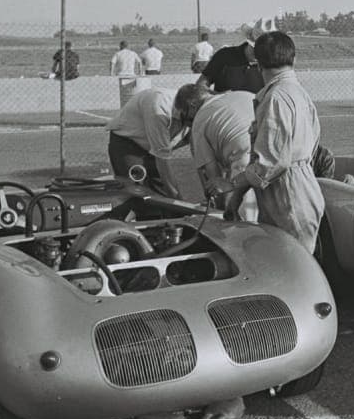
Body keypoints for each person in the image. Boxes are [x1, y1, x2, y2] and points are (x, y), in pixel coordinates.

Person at [217, 32, 324, 253]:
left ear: (258, 65)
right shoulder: (299, 93)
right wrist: (236, 198)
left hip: (289, 198)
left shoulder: (276, 97)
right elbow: (312, 143)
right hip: (300, 188)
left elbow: (272, 162)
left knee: (292, 271)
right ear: (294, 60)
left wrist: (233, 184)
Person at [171, 83, 258, 221]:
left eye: (187, 116)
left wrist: (218, 208)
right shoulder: (243, 94)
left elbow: (213, 176)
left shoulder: (200, 120)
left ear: (193, 104)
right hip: (274, 156)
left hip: (243, 160)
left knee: (244, 224)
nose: (189, 123)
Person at [104, 87, 182, 197]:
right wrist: (177, 198)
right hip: (128, 142)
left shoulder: (198, 113)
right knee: (135, 192)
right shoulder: (159, 109)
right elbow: (162, 159)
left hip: (151, 145)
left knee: (163, 195)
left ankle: (169, 213)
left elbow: (200, 154)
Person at [197, 29, 263, 93]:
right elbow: (201, 84)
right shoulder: (224, 55)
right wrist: (217, 96)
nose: (261, 52)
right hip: (223, 103)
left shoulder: (272, 63)